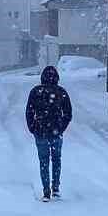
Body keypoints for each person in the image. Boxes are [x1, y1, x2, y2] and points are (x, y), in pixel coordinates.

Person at [25, 66, 73, 201]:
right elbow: (68, 113)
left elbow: (29, 112)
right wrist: (61, 128)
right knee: (56, 160)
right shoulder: (61, 92)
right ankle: (55, 188)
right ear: (57, 78)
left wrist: (32, 127)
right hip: (56, 132)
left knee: (43, 161)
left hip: (40, 132)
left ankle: (46, 191)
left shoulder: (36, 92)